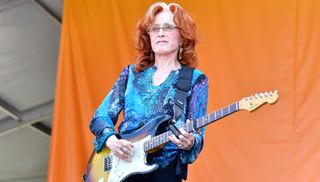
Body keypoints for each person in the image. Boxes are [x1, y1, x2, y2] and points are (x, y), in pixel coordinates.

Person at [90, 2, 208, 182]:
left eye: (168, 27)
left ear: (182, 36)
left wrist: (190, 142)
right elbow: (101, 115)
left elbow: (197, 134)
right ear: (148, 36)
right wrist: (111, 140)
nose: (160, 33)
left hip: (164, 172)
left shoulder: (195, 79)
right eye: (154, 28)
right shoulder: (131, 74)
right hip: (121, 168)